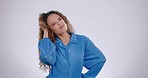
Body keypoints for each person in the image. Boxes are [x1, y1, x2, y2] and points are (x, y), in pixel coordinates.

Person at [38, 10, 106, 78]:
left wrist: (86, 77)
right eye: (54, 24)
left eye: (59, 19)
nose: (59, 23)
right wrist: (46, 33)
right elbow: (47, 59)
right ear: (51, 30)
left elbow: (99, 60)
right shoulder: (50, 46)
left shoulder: (82, 41)